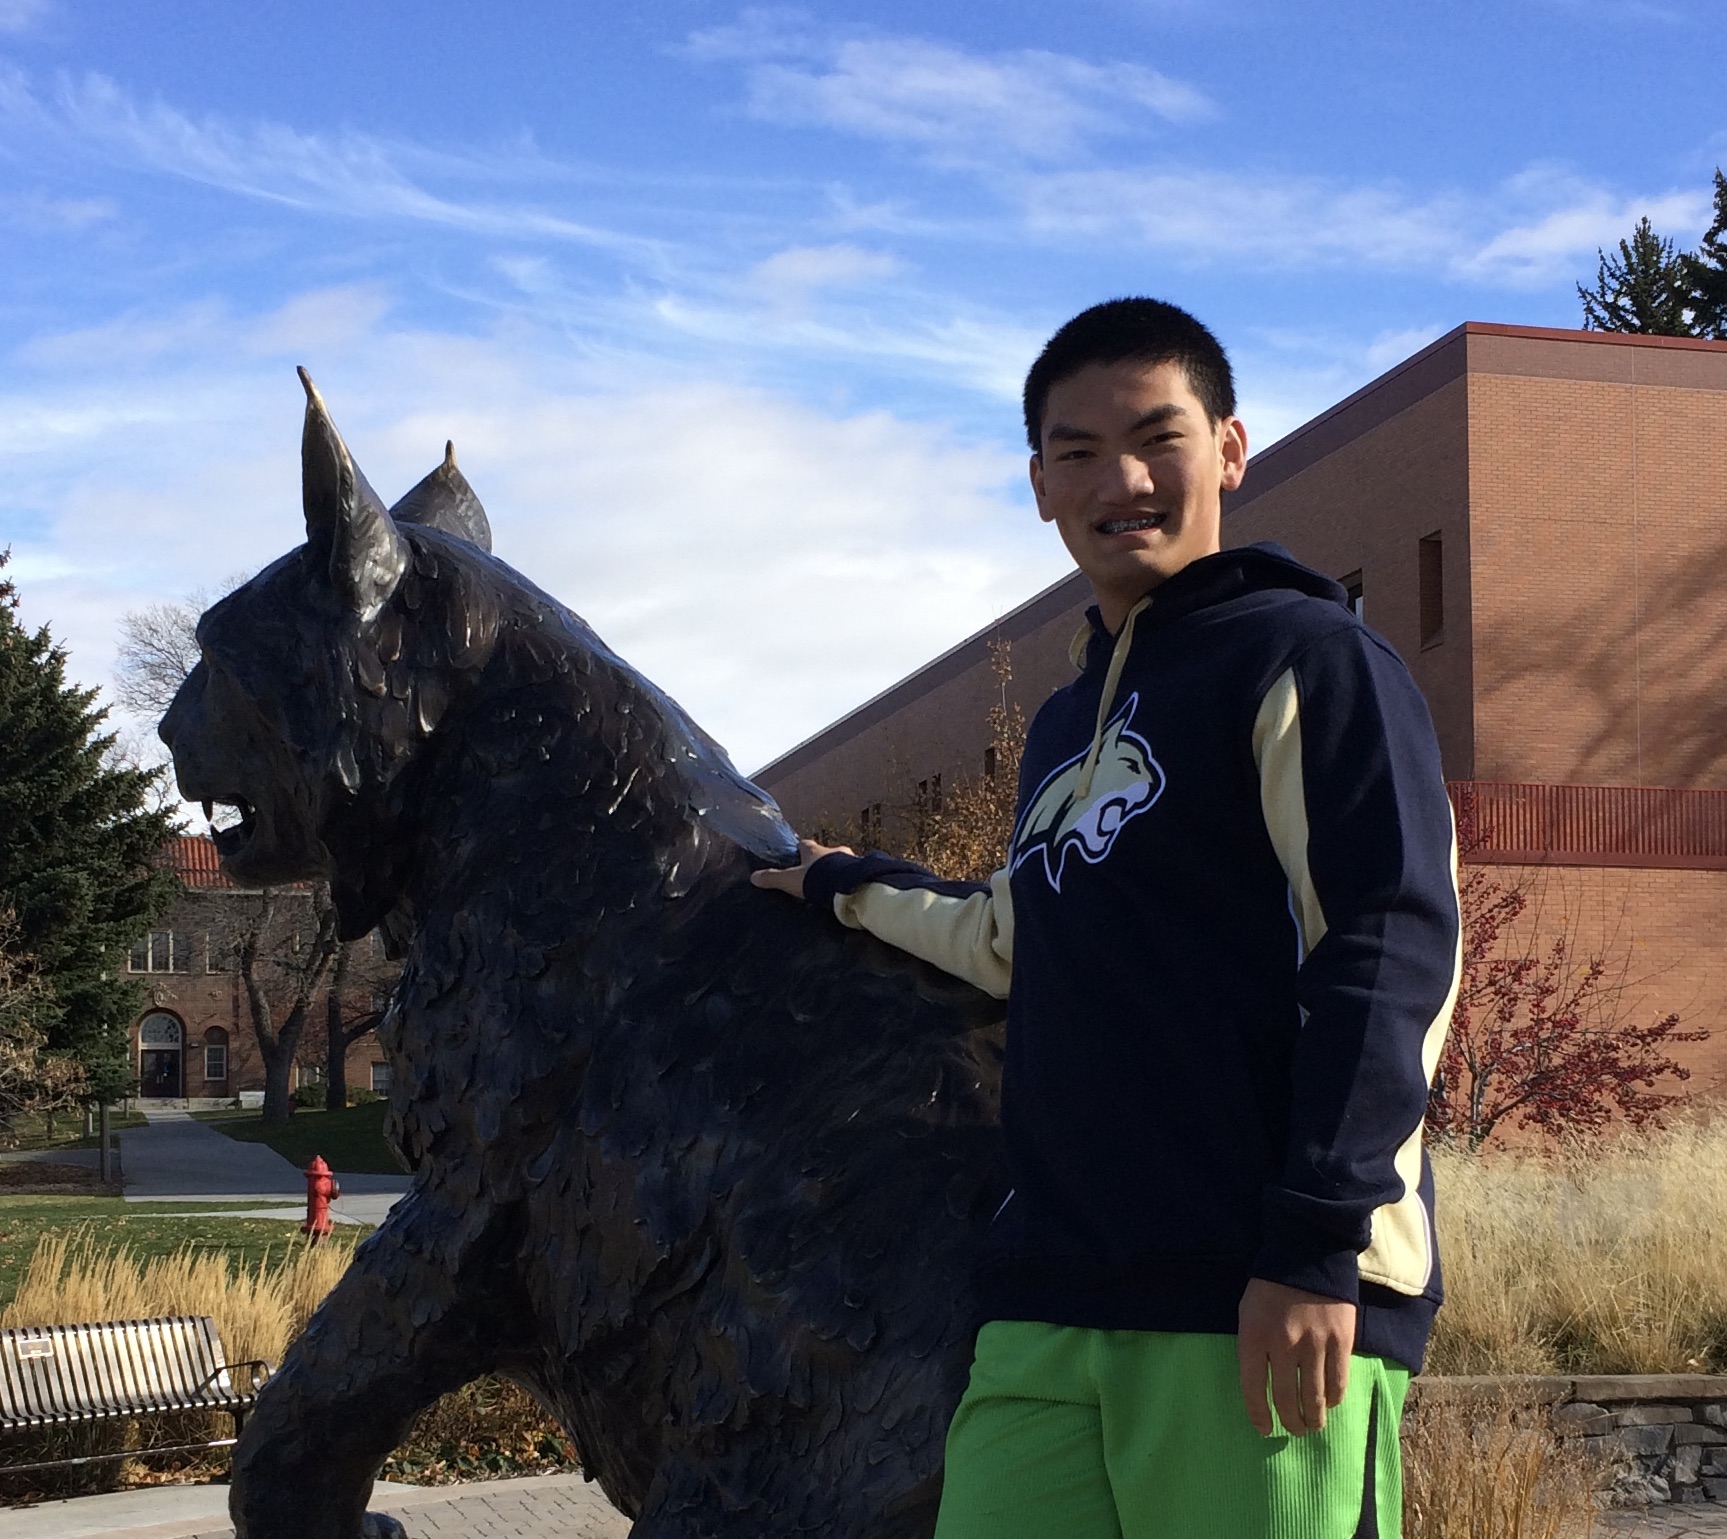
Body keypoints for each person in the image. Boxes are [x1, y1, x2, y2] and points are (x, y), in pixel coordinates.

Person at [752, 297, 1460, 1539]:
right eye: (1075, 451)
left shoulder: (1309, 658)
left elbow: (1385, 950)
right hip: (1051, 1298)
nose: (1119, 479)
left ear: (1229, 449)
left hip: (1253, 1290)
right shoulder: (1061, 725)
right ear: (1036, 484)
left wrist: (1309, 1247)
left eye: (1156, 437)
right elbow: (1008, 939)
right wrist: (839, 884)